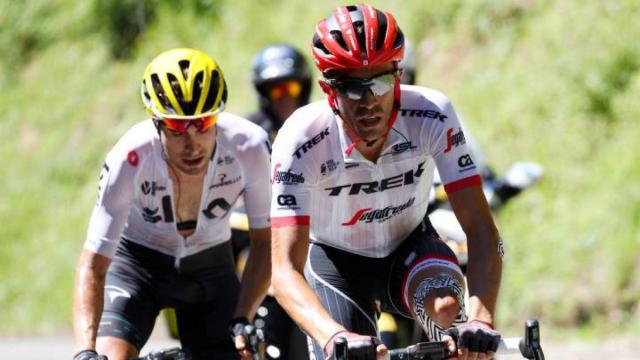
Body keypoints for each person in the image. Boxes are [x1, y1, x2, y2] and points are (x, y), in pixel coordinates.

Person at [270, 4, 503, 360]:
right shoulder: (301, 139)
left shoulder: (432, 114)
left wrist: (482, 319)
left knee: (447, 312)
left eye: (380, 82)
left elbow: (481, 229)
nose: (368, 102)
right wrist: (332, 337)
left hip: (410, 246)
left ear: (398, 74)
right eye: (350, 87)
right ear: (327, 88)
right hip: (335, 263)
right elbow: (284, 270)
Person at [72, 48, 272, 360]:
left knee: (244, 354)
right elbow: (93, 265)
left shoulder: (250, 147)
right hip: (138, 267)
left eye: (204, 123)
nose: (192, 142)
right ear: (156, 122)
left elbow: (265, 244)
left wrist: (243, 317)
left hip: (211, 266)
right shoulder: (129, 158)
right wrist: (85, 349)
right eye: (177, 127)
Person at [248, 44, 313, 140]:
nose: (285, 99)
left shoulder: (322, 123)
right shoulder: (250, 133)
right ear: (264, 95)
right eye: (276, 91)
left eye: (291, 88)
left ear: (304, 90)